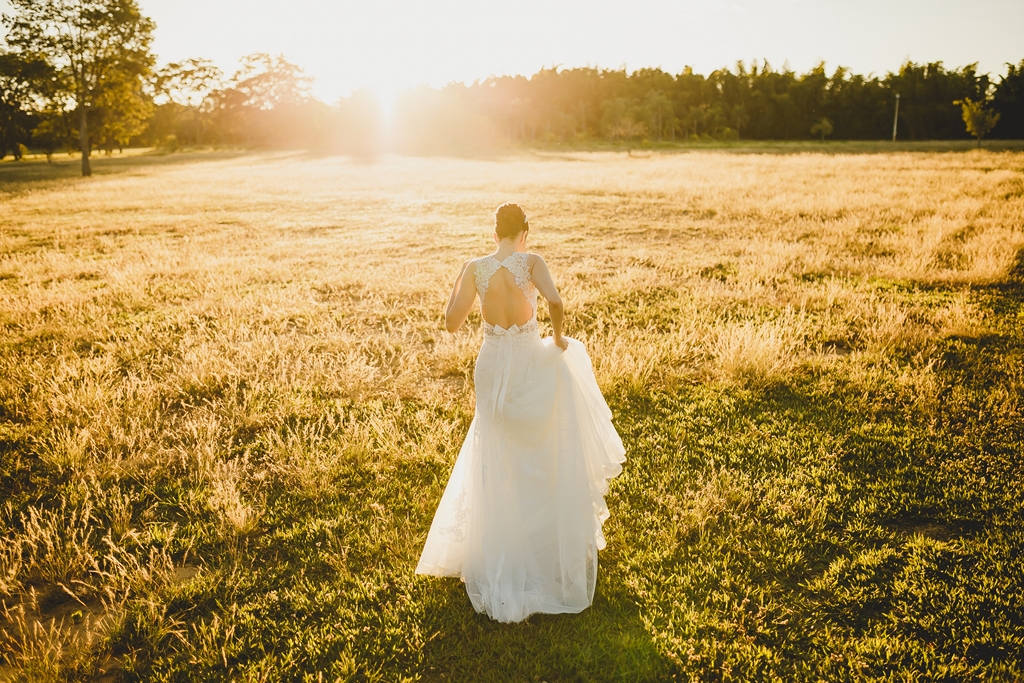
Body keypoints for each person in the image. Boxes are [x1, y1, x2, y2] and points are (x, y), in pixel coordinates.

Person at [415, 203, 626, 623]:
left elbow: (451, 323)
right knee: (541, 442)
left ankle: (497, 540)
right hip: (530, 359)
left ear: (494, 233)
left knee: (494, 448)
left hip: (492, 365)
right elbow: (556, 301)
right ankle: (542, 538)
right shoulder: (532, 262)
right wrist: (560, 338)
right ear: (524, 231)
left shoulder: (475, 267)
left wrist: (461, 278)